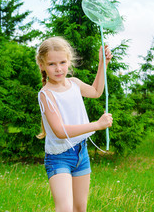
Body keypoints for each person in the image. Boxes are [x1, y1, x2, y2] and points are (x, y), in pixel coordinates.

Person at [36, 36, 113, 212]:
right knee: (64, 209)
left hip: (81, 153)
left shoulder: (74, 84)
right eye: (51, 64)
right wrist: (97, 125)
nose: (58, 69)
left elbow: (96, 91)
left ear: (69, 61)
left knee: (80, 208)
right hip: (59, 158)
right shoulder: (46, 94)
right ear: (42, 65)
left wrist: (103, 63)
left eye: (62, 62)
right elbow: (60, 131)